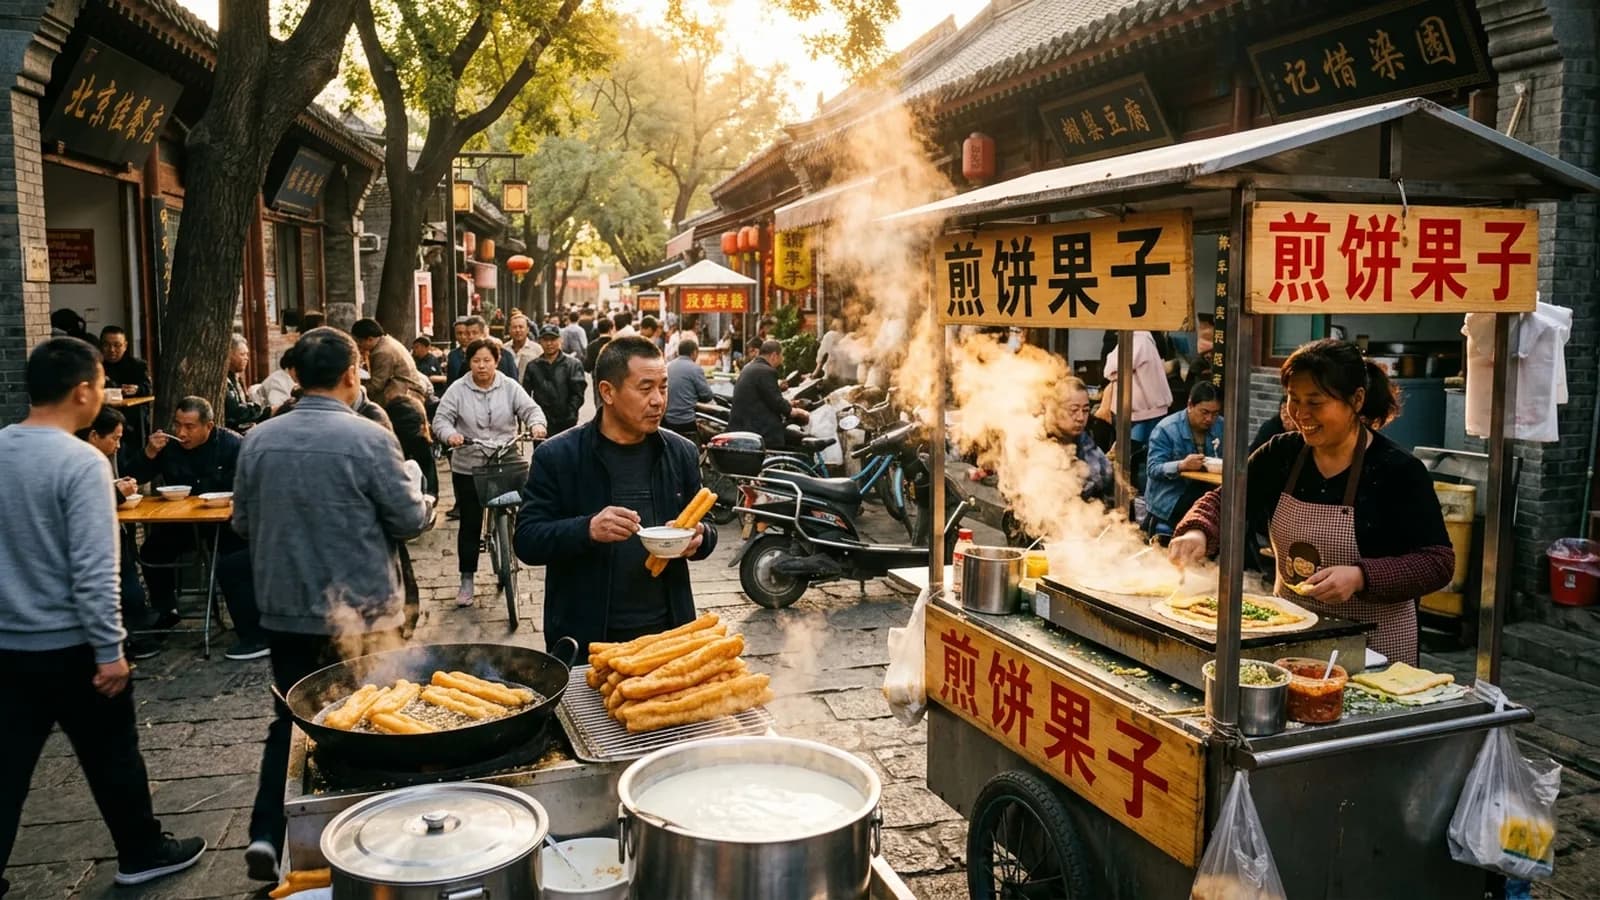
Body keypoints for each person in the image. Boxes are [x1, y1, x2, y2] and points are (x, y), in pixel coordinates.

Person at [0, 337, 205, 893]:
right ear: (84, 389)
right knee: (113, 757)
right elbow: (96, 568)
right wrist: (112, 649)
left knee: (7, 768)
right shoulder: (81, 461)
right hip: (72, 648)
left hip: (8, 647)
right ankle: (141, 850)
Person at [231, 327, 433, 883]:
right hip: (363, 612)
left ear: (295, 375)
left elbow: (242, 523)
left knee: (292, 721)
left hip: (284, 607)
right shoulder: (369, 438)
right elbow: (410, 520)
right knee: (377, 715)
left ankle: (268, 835)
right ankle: (378, 839)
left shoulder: (258, 440)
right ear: (352, 373)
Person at [1169, 339, 1453, 665]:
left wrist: (1361, 577)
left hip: (1375, 649)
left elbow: (1437, 562)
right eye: (1294, 400)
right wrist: (1198, 532)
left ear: (1356, 400)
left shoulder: (1397, 471)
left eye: (1315, 403)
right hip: (1288, 635)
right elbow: (1226, 501)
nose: (1300, 414)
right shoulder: (1282, 454)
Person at [515, 337, 717, 646]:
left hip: (668, 635)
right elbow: (527, 540)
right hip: (588, 638)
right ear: (607, 391)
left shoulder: (681, 452)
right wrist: (587, 529)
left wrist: (701, 537)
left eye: (663, 387)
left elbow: (707, 524)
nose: (659, 401)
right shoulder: (558, 456)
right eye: (645, 388)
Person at [129, 397, 267, 660]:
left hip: (224, 523)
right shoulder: (168, 446)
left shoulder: (232, 444)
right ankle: (165, 612)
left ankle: (251, 632)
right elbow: (133, 477)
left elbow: (249, 487)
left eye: (190, 427)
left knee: (231, 561)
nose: (182, 433)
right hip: (182, 522)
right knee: (151, 550)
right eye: (178, 425)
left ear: (209, 426)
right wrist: (149, 453)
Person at [434, 338, 548, 607]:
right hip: (469, 464)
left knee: (526, 505)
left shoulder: (508, 386)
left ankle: (513, 545)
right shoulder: (457, 389)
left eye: (487, 360)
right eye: (476, 361)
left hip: (505, 457)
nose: (482, 366)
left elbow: (531, 409)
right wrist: (450, 435)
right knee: (470, 523)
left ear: (497, 361)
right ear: (469, 363)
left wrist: (537, 425)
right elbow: (441, 419)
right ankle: (466, 580)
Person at [77, 407, 160, 661]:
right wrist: (117, 493)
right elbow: (86, 502)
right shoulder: (80, 462)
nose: (118, 444)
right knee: (125, 583)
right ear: (93, 435)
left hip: (114, 529)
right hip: (96, 537)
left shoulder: (106, 456)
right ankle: (132, 638)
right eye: (114, 438)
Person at [1094, 330, 1172, 490]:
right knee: (1138, 459)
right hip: (1142, 410)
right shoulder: (1141, 338)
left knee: (1139, 460)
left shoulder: (1140, 338)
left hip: (1144, 410)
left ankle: (1139, 498)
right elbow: (1111, 369)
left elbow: (1110, 369)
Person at [1144, 382, 1226, 533]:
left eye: (1215, 414)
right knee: (1207, 514)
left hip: (1207, 491)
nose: (1209, 419)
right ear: (1190, 405)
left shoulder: (1221, 426)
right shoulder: (1166, 429)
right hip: (1172, 496)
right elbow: (1152, 468)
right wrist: (1181, 465)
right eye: (1204, 412)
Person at [728, 339, 808, 450]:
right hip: (759, 429)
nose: (782, 360)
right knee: (801, 440)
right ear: (774, 355)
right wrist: (796, 412)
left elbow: (767, 397)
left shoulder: (750, 367)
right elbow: (776, 402)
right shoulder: (766, 371)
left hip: (744, 425)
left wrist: (788, 404)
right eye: (782, 356)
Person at [1047, 376, 1113, 505]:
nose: (1081, 417)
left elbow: (1106, 477)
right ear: (1056, 410)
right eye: (1074, 410)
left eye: (1086, 410)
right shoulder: (1038, 443)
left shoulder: (1087, 440)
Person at [351, 318, 431, 406]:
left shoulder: (382, 352)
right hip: (408, 391)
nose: (358, 345)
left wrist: (354, 386)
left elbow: (376, 385)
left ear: (370, 339)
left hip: (406, 395)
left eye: (359, 342)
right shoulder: (386, 342)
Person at [523, 324, 586, 436]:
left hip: (566, 423)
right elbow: (526, 395)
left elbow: (578, 393)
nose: (549, 343)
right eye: (545, 340)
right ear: (540, 341)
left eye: (553, 339)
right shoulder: (533, 366)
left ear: (560, 340)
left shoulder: (573, 364)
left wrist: (571, 414)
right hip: (541, 423)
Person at [664, 337, 713, 443]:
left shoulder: (667, 367)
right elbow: (707, 396)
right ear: (694, 352)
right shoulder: (695, 368)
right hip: (686, 422)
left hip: (667, 420)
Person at [446, 316, 518, 385]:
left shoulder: (505, 355)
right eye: (468, 333)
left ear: (483, 333)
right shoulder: (467, 360)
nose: (471, 337)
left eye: (474, 333)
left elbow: (514, 381)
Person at [224, 335, 272, 430]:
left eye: (247, 354)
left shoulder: (237, 378)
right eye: (242, 354)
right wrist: (261, 409)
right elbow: (236, 412)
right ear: (229, 355)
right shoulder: (225, 381)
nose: (246, 358)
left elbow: (247, 403)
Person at [100, 326, 152, 398]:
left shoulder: (138, 365)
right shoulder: (95, 366)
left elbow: (149, 389)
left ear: (125, 346)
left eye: (117, 345)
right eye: (106, 345)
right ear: (101, 345)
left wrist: (137, 390)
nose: (112, 350)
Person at [585, 317, 615, 406]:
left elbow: (587, 366)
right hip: (614, 375)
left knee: (599, 402)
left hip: (597, 376)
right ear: (611, 328)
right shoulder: (615, 343)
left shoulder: (591, 346)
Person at [503, 313, 540, 381]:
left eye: (521, 327)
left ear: (527, 330)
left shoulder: (537, 350)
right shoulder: (504, 349)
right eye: (514, 327)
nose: (517, 330)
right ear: (509, 330)